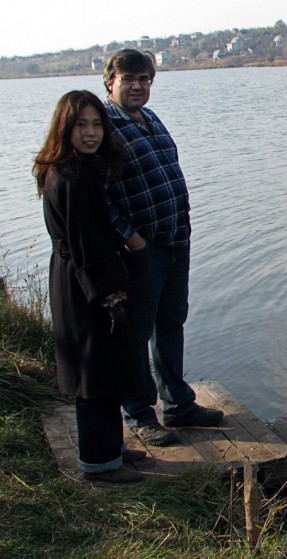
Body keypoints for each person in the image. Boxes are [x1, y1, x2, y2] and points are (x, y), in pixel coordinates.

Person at [102, 49, 223, 446]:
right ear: (110, 83)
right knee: (137, 333)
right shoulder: (103, 127)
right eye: (129, 79)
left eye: (145, 79)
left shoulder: (149, 118)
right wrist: (131, 239)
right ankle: (139, 413)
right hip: (143, 250)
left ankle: (178, 405)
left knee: (171, 324)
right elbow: (101, 198)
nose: (138, 86)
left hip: (174, 242)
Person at [34, 90, 148, 483]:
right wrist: (109, 295)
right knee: (94, 375)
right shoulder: (70, 176)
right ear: (65, 128)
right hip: (85, 286)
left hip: (85, 278)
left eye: (97, 124)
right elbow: (85, 245)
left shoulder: (79, 169)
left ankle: (111, 448)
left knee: (109, 369)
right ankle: (99, 465)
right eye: (81, 125)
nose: (91, 133)